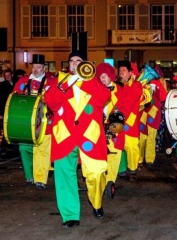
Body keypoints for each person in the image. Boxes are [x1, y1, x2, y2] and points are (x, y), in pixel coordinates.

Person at [44, 51, 111, 228]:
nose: (74, 64)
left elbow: (105, 97)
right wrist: (67, 83)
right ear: (68, 65)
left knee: (97, 172)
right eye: (72, 61)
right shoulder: (58, 81)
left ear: (85, 64)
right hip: (64, 135)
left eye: (78, 61)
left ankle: (96, 202)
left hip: (90, 135)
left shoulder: (93, 81)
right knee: (64, 175)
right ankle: (70, 215)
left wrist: (84, 81)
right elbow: (50, 102)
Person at [13, 54, 54, 189]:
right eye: (34, 67)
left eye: (39, 67)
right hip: (26, 122)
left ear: (44, 68)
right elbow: (14, 99)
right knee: (24, 147)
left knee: (41, 150)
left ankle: (40, 179)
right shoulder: (23, 81)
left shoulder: (51, 82)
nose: (36, 69)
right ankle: (29, 175)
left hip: (44, 122)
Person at [96, 62, 128, 197]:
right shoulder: (95, 89)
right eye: (100, 76)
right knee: (99, 158)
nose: (102, 78)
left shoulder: (120, 89)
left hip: (115, 129)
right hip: (98, 129)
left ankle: (110, 181)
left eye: (105, 76)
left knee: (114, 156)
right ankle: (100, 181)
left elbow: (126, 106)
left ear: (110, 76)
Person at [117, 61, 142, 181]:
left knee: (131, 147)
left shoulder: (137, 85)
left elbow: (132, 97)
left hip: (130, 121)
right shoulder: (115, 84)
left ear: (130, 73)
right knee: (118, 145)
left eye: (124, 71)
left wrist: (124, 84)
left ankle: (132, 169)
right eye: (120, 70)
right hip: (117, 118)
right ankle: (121, 169)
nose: (121, 73)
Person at [138, 67, 167, 169]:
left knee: (151, 137)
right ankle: (139, 158)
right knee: (141, 138)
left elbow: (163, 97)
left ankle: (149, 159)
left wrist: (157, 88)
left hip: (153, 113)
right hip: (142, 112)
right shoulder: (139, 83)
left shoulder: (157, 83)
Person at [0, 69, 14, 154]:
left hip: (13, 109)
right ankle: (6, 146)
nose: (7, 77)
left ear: (12, 74)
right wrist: (0, 113)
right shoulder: (2, 86)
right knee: (5, 127)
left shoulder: (16, 83)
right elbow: (0, 100)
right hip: (5, 108)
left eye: (9, 75)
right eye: (6, 76)